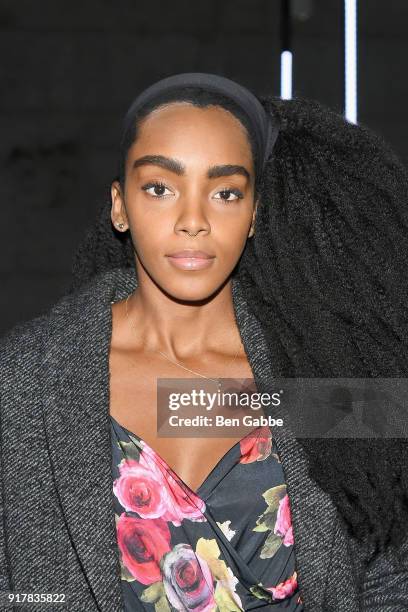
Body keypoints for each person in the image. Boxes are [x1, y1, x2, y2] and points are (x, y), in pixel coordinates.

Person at [1, 72, 408, 611]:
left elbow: (387, 573)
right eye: (160, 188)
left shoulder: (319, 365)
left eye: (224, 192)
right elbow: (21, 591)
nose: (193, 220)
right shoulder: (28, 375)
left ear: (255, 214)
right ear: (119, 206)